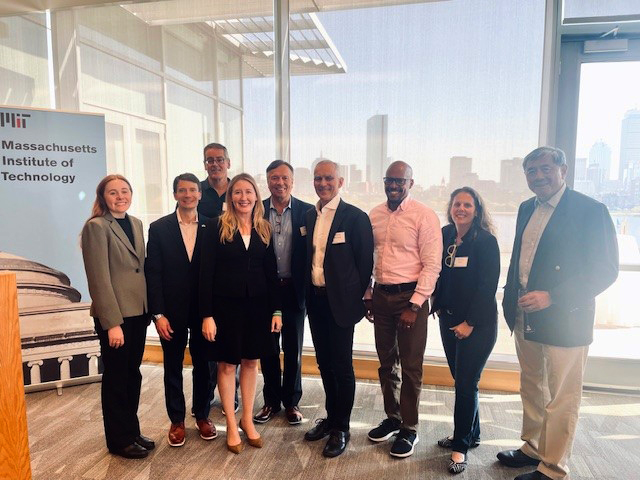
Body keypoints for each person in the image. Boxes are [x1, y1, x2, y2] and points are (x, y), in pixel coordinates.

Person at [498, 146, 618, 480]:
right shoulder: (525, 208)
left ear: (563, 170)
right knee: (532, 386)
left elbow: (605, 269)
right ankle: (533, 448)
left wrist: (553, 296)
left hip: (566, 317)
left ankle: (552, 467)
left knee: (563, 396)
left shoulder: (590, 210)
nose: (538, 176)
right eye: (531, 171)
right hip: (526, 314)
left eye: (545, 169)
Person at [199, 173, 282, 454]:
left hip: (258, 308)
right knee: (226, 365)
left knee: (250, 363)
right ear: (230, 197)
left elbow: (272, 274)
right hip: (225, 309)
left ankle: (248, 419)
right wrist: (206, 315)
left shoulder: (264, 228)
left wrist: (277, 310)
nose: (243, 197)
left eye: (248, 192)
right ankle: (232, 425)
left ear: (256, 196)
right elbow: (205, 274)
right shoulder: (215, 227)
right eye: (237, 193)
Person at [365, 161, 442, 458]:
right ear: (384, 182)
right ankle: (393, 417)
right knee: (386, 363)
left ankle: (410, 427)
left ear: (411, 183)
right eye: (389, 180)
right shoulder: (375, 215)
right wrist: (369, 292)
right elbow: (368, 258)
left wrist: (415, 303)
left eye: (400, 181)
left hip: (411, 298)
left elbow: (432, 264)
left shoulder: (423, 215)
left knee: (411, 366)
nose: (394, 186)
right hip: (382, 296)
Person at [303, 160, 374, 458]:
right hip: (315, 300)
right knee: (323, 363)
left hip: (342, 303)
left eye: (328, 178)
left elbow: (365, 262)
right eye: (318, 178)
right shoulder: (309, 215)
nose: (323, 183)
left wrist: (359, 300)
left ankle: (341, 427)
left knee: (342, 366)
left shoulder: (355, 217)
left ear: (340, 181)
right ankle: (331, 418)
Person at [80, 174, 154, 459]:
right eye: (113, 192)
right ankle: (118, 440)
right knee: (116, 378)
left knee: (131, 375)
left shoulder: (135, 223)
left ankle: (131, 430)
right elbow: (98, 278)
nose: (120, 196)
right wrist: (112, 324)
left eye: (125, 191)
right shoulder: (96, 227)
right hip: (116, 318)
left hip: (137, 312)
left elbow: (139, 268)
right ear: (103, 197)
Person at [431, 186, 500, 474]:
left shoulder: (485, 241)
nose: (461, 209)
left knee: (465, 384)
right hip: (448, 321)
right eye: (457, 204)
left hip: (477, 324)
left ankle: (460, 447)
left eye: (467, 205)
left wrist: (469, 323)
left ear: (477, 209)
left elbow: (487, 287)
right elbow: (438, 272)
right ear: (450, 208)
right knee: (462, 379)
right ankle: (472, 434)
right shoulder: (446, 235)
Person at [145, 173, 216, 447]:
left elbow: (215, 273)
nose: (188, 195)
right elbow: (154, 273)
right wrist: (158, 314)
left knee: (204, 364)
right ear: (175, 194)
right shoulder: (159, 228)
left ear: (200, 194)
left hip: (203, 311)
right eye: (182, 190)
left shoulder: (212, 227)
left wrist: (213, 313)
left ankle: (202, 415)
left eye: (193, 190)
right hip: (170, 313)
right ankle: (176, 420)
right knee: (172, 366)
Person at [254, 160, 313, 425]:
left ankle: (292, 402)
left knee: (293, 349)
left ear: (292, 181)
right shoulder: (256, 210)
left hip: (295, 290)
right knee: (267, 348)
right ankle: (270, 401)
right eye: (274, 178)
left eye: (285, 178)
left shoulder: (307, 212)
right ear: (267, 182)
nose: (280, 183)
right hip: (265, 292)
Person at [196, 142, 239, 414]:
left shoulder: (239, 190)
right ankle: (208, 393)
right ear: (205, 164)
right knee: (209, 340)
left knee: (233, 340)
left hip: (235, 274)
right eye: (210, 160)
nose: (215, 164)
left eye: (219, 159)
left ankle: (231, 395)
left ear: (228, 162)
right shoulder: (198, 192)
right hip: (206, 270)